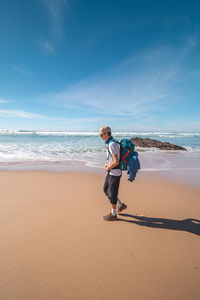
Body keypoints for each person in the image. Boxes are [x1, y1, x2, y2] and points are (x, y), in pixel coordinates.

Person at [99, 126, 127, 221]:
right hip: (111, 171)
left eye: (101, 135)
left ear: (107, 134)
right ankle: (120, 205)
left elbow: (116, 161)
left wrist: (108, 167)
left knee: (112, 194)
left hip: (115, 173)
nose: (100, 136)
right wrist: (107, 164)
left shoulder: (112, 144)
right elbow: (111, 158)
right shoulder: (110, 143)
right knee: (106, 190)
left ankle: (113, 214)